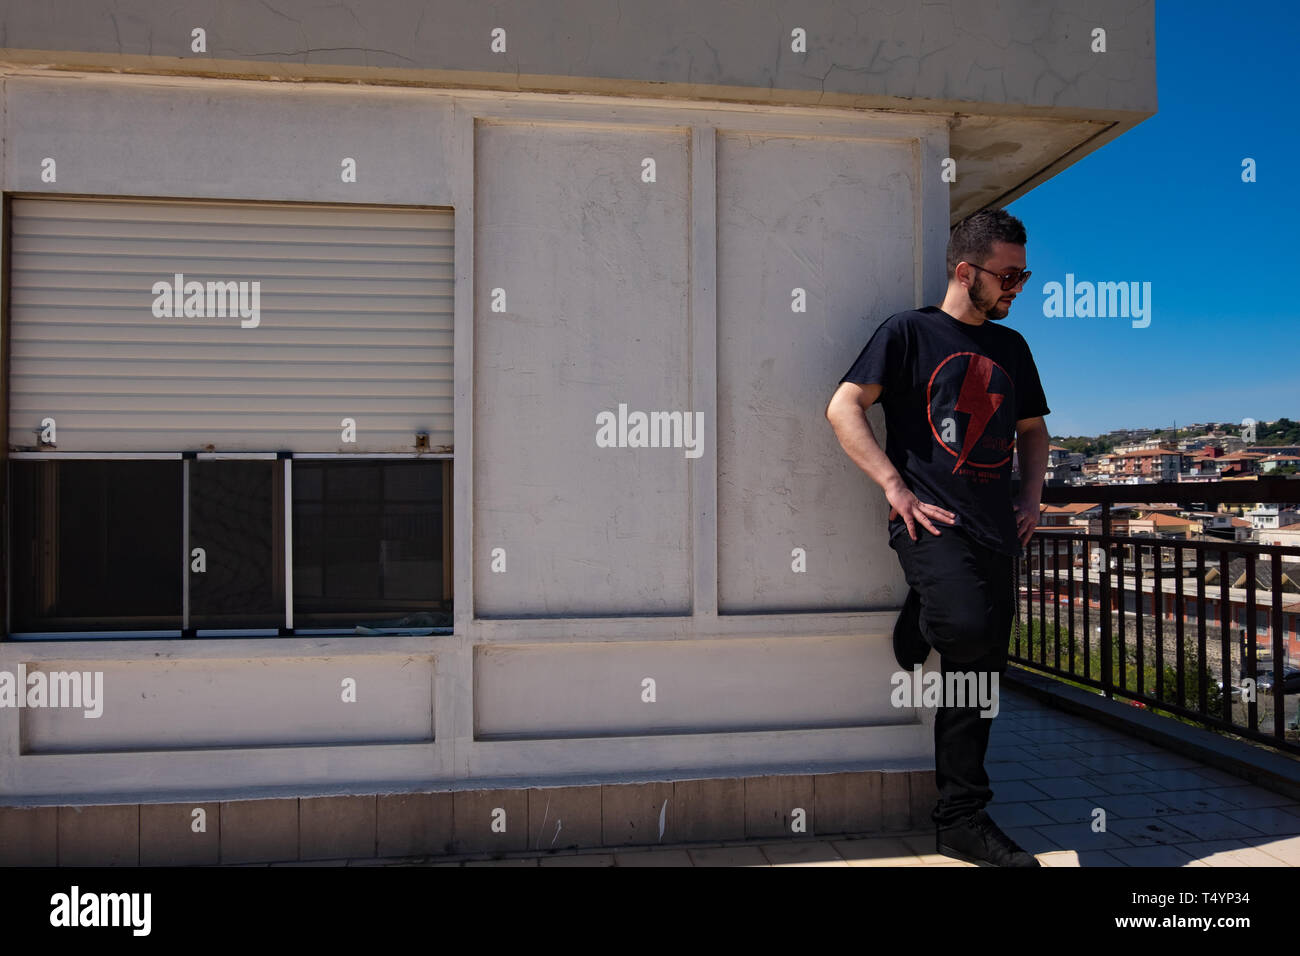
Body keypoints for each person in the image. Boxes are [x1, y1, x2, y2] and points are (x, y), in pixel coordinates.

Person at [824, 208, 1050, 867]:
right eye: (1007, 276)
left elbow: (1033, 432)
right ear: (965, 271)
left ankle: (961, 818)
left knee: (978, 677)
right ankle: (927, 612)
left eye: (1024, 276)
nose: (1015, 289)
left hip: (995, 529)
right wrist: (895, 487)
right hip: (928, 521)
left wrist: (1032, 497)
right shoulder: (908, 332)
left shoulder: (1013, 350)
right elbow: (843, 407)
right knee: (968, 627)